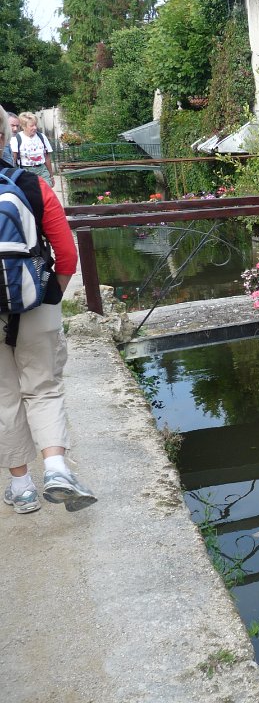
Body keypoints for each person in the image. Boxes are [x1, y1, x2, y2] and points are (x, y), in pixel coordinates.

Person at [0, 105, 96, 514]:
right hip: (34, 303)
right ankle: (56, 469)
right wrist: (50, 293)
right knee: (43, 387)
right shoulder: (32, 185)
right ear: (6, 135)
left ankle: (21, 488)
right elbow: (67, 255)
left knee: (4, 396)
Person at [11, 112, 55, 186]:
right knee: (31, 194)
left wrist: (51, 175)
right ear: (24, 126)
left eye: (35, 125)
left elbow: (47, 157)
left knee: (46, 192)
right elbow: (13, 160)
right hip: (26, 171)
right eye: (31, 126)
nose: (35, 127)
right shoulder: (16, 139)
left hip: (42, 170)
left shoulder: (42, 137)